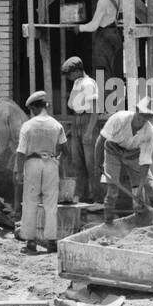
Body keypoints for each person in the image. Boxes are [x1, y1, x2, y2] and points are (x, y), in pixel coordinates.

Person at [95, 96, 153, 227]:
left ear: (150, 118)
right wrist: (97, 163)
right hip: (112, 150)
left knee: (151, 188)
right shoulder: (119, 118)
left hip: (134, 153)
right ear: (136, 109)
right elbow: (101, 140)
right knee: (112, 190)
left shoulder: (150, 133)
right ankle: (108, 223)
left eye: (146, 116)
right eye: (141, 113)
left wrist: (140, 187)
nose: (142, 118)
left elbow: (145, 162)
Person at [14, 90, 66, 254]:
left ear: (33, 109)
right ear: (46, 106)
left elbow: (21, 152)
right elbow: (65, 149)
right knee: (51, 204)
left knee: (30, 202)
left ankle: (31, 242)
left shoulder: (28, 125)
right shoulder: (56, 125)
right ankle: (51, 242)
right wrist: (58, 161)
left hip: (32, 163)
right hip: (51, 163)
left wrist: (19, 172)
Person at [62, 55, 101, 205]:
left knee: (92, 164)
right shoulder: (77, 83)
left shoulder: (88, 83)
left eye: (70, 74)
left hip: (88, 120)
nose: (69, 77)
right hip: (77, 120)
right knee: (78, 162)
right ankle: (83, 196)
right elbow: (74, 107)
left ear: (78, 71)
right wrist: (73, 127)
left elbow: (95, 108)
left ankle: (98, 198)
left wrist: (90, 131)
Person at [76, 0, 122, 82]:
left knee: (101, 70)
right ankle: (112, 97)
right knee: (111, 69)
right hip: (114, 34)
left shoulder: (102, 2)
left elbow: (94, 26)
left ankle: (103, 98)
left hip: (104, 37)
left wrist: (79, 28)